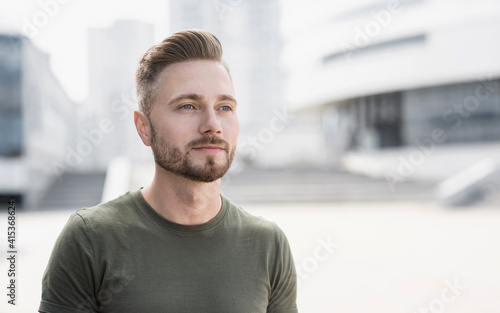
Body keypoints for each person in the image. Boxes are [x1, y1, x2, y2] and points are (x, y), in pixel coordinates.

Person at [39, 29, 298, 313]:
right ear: (144, 127)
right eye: (188, 106)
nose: (212, 124)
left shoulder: (268, 244)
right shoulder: (91, 239)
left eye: (224, 107)